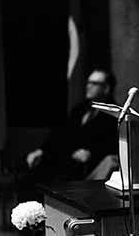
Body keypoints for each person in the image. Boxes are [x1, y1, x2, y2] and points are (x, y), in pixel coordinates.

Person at [17, 68, 119, 201]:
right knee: (29, 179)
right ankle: (28, 219)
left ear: (106, 88)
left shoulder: (114, 114)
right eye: (88, 82)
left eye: (94, 83)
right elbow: (61, 134)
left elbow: (112, 145)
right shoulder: (79, 109)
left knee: (55, 183)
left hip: (86, 166)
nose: (88, 86)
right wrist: (41, 150)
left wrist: (91, 153)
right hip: (64, 158)